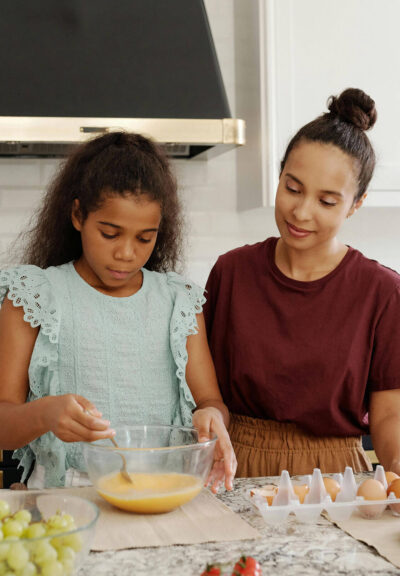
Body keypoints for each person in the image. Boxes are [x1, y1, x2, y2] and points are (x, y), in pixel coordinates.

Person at [0, 131, 236, 490]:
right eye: (110, 234)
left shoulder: (177, 301)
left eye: (145, 238)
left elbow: (210, 401)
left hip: (163, 490)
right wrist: (44, 413)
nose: (127, 253)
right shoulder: (34, 296)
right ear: (78, 215)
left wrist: (210, 416)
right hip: (65, 498)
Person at [204, 88, 400, 477]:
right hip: (237, 468)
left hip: (337, 474)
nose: (301, 211)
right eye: (292, 188)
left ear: (356, 204)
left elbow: (390, 413)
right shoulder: (231, 273)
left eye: (327, 202)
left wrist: (397, 467)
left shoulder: (382, 291)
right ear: (279, 176)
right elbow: (203, 392)